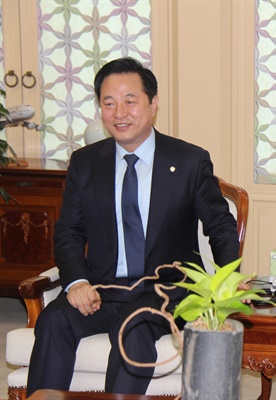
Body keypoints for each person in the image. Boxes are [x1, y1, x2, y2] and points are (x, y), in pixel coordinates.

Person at [26, 57, 241, 395]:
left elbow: (220, 225)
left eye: (130, 101)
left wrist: (224, 285)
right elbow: (68, 231)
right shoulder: (85, 163)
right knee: (54, 319)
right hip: (103, 290)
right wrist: (78, 282)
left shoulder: (188, 160)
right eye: (109, 103)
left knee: (133, 323)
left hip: (165, 290)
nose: (119, 112)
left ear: (153, 105)